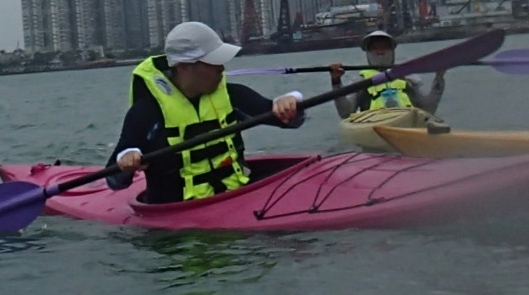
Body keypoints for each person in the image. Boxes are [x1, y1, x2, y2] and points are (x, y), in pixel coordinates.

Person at [108, 21, 303, 203]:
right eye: (212, 62)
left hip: (237, 199)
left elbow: (290, 120)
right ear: (184, 67)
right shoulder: (146, 112)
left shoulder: (233, 95)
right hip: (176, 217)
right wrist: (127, 162)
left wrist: (289, 102)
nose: (221, 68)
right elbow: (114, 181)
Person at [330, 29, 445, 119]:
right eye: (375, 48)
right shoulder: (360, 82)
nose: (380, 52)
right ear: (368, 52)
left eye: (385, 47)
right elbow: (346, 113)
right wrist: (336, 81)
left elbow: (428, 109)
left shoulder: (407, 78)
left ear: (392, 51)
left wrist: (439, 77)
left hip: (408, 120)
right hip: (374, 124)